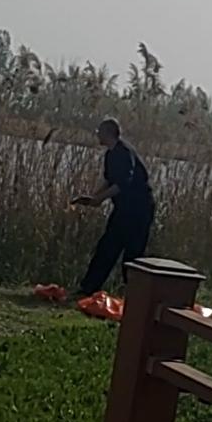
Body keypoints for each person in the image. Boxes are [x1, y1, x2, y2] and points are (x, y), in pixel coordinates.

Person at [71, 119, 155, 298]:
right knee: (107, 247)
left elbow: (122, 183)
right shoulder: (111, 154)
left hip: (140, 210)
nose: (97, 134)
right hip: (124, 209)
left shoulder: (124, 152)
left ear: (109, 133)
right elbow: (109, 180)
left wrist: (99, 199)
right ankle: (88, 288)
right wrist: (94, 197)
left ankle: (134, 296)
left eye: (99, 131)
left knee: (132, 254)